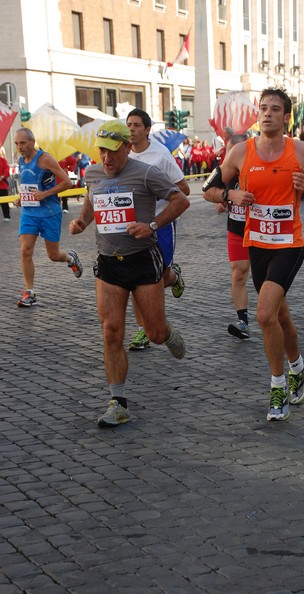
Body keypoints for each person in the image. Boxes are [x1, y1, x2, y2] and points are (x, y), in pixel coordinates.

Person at [69, 120, 190, 427]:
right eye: (101, 152)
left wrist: (152, 225)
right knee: (111, 331)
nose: (106, 159)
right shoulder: (93, 173)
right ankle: (118, 401)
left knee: (154, 333)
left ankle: (167, 332)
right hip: (109, 263)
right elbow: (90, 201)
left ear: (126, 148)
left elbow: (181, 199)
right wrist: (82, 222)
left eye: (112, 152)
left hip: (142, 260)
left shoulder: (146, 172)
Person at [220, 87, 304, 421]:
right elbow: (211, 188)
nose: (267, 113)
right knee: (280, 316)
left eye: (274, 109)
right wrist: (231, 193)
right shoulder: (240, 151)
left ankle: (277, 386)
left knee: (264, 314)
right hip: (257, 245)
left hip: (289, 245)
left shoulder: (301, 150)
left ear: (285, 116)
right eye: (263, 108)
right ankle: (298, 366)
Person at [126, 108, 190, 351]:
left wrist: (155, 190)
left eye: (136, 125)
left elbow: (183, 189)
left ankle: (173, 276)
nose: (131, 129)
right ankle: (143, 330)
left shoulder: (161, 155)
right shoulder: (123, 154)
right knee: (136, 278)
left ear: (147, 129)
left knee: (160, 277)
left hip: (160, 224)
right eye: (128, 125)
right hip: (132, 226)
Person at [14, 127, 83, 307]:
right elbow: (29, 186)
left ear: (32, 141)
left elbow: (68, 182)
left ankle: (70, 258)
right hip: (29, 213)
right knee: (25, 250)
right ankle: (30, 292)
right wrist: (22, 198)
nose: (19, 147)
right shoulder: (21, 161)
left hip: (49, 212)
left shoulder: (44, 159)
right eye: (16, 143)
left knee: (53, 255)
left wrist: (45, 194)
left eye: (22, 143)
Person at [203, 133, 251, 339]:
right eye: (230, 151)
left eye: (238, 150)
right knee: (239, 272)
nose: (234, 155)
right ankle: (243, 322)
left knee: (265, 278)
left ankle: (274, 317)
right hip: (236, 229)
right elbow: (210, 190)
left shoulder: (257, 169)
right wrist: (222, 199)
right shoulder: (225, 171)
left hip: (261, 231)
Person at [0, 148, 11, 221]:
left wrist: (2, 177)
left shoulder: (3, 161)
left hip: (2, 185)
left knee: (4, 201)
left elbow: (7, 171)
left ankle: (6, 216)